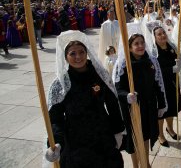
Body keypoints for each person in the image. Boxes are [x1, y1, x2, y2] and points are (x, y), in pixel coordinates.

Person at [45, 30, 125, 167]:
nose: (78, 57)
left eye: (82, 52)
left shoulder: (100, 75)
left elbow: (112, 103)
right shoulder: (61, 84)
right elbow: (55, 118)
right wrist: (56, 142)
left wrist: (118, 130)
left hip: (103, 136)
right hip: (76, 142)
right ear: (65, 57)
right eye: (73, 53)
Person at [113, 33, 167, 168]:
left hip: (148, 106)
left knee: (146, 136)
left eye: (142, 42)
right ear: (129, 48)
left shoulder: (151, 61)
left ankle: (146, 162)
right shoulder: (124, 65)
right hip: (132, 108)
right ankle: (136, 165)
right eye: (136, 44)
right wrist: (127, 96)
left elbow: (157, 84)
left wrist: (161, 104)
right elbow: (117, 89)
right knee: (134, 138)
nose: (140, 46)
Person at [148, 23, 181, 147]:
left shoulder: (171, 46)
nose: (163, 35)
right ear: (155, 37)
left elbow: (180, 59)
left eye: (164, 33)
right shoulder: (153, 52)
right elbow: (154, 70)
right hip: (161, 87)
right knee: (162, 111)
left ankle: (170, 128)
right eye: (159, 34)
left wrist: (180, 64)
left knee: (172, 108)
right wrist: (171, 69)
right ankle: (160, 134)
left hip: (173, 83)